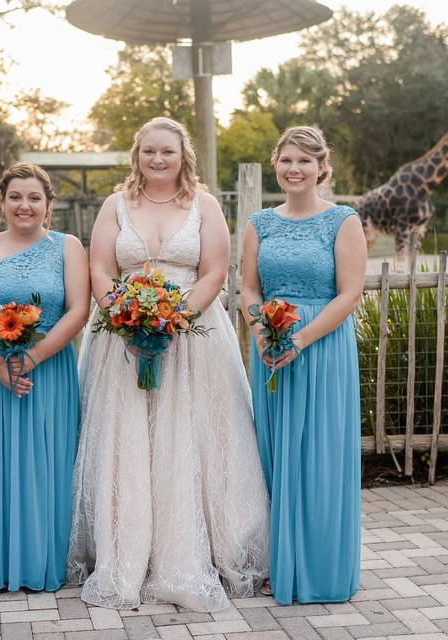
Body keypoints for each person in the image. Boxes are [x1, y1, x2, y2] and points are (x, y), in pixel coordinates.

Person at [68, 116, 269, 612]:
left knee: (190, 436)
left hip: (193, 339)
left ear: (184, 157)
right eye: (149, 151)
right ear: (137, 155)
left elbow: (215, 271)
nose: (158, 160)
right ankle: (126, 549)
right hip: (121, 338)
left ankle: (197, 550)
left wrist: (172, 320)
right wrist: (124, 318)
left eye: (168, 152)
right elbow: (99, 266)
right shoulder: (115, 205)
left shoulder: (203, 205)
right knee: (127, 437)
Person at [240, 125, 365, 605]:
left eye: (304, 162)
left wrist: (300, 339)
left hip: (322, 347)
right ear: (277, 165)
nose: (294, 169)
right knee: (273, 455)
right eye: (287, 160)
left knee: (320, 456)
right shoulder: (259, 224)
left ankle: (321, 569)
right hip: (269, 346)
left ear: (321, 168)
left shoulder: (342, 221)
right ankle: (279, 562)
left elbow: (349, 293)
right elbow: (249, 287)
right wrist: (262, 332)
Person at [0, 162, 89, 592]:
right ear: (2, 202)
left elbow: (78, 311)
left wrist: (31, 358)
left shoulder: (68, 246)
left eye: (34, 197)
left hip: (48, 372)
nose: (24, 205)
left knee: (46, 466)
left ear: (49, 204)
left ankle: (41, 561)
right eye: (15, 197)